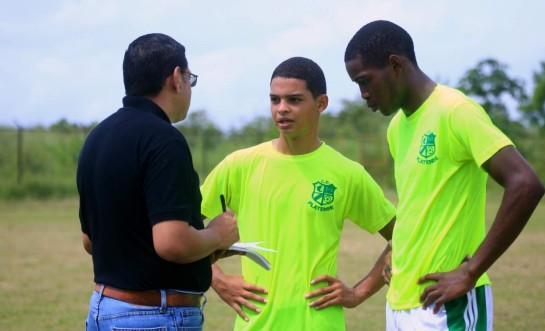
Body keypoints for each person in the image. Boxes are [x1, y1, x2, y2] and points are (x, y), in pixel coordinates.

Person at [344, 20, 545, 330]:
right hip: (400, 302)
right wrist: (379, 272)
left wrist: (470, 271)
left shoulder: (456, 111)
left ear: (395, 65)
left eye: (364, 81)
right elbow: (416, 212)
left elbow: (526, 184)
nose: (363, 94)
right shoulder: (397, 128)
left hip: (446, 307)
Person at [200, 56, 397, 330]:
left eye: (294, 100)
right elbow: (182, 228)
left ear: (321, 103)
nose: (281, 109)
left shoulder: (347, 173)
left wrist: (357, 293)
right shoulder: (240, 165)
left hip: (320, 324)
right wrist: (217, 280)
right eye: (274, 100)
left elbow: (402, 235)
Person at [77, 33, 239, 330]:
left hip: (104, 307)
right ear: (176, 77)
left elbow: (92, 240)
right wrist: (218, 233)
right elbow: (172, 242)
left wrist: (202, 249)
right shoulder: (164, 140)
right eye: (191, 78)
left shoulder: (97, 137)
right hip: (153, 315)